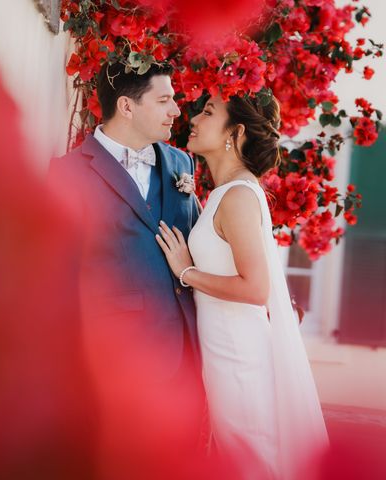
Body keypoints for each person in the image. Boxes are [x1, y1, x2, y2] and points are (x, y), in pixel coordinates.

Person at [156, 94, 329, 479]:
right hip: (226, 356)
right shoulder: (228, 192)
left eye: (208, 112)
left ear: (235, 133)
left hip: (239, 362)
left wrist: (187, 273)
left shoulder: (236, 196)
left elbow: (256, 289)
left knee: (251, 462)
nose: (195, 118)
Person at [49, 62, 205, 479]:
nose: (176, 109)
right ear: (126, 106)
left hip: (188, 356)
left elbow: (203, 242)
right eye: (164, 99)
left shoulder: (181, 165)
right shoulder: (67, 174)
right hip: (115, 365)